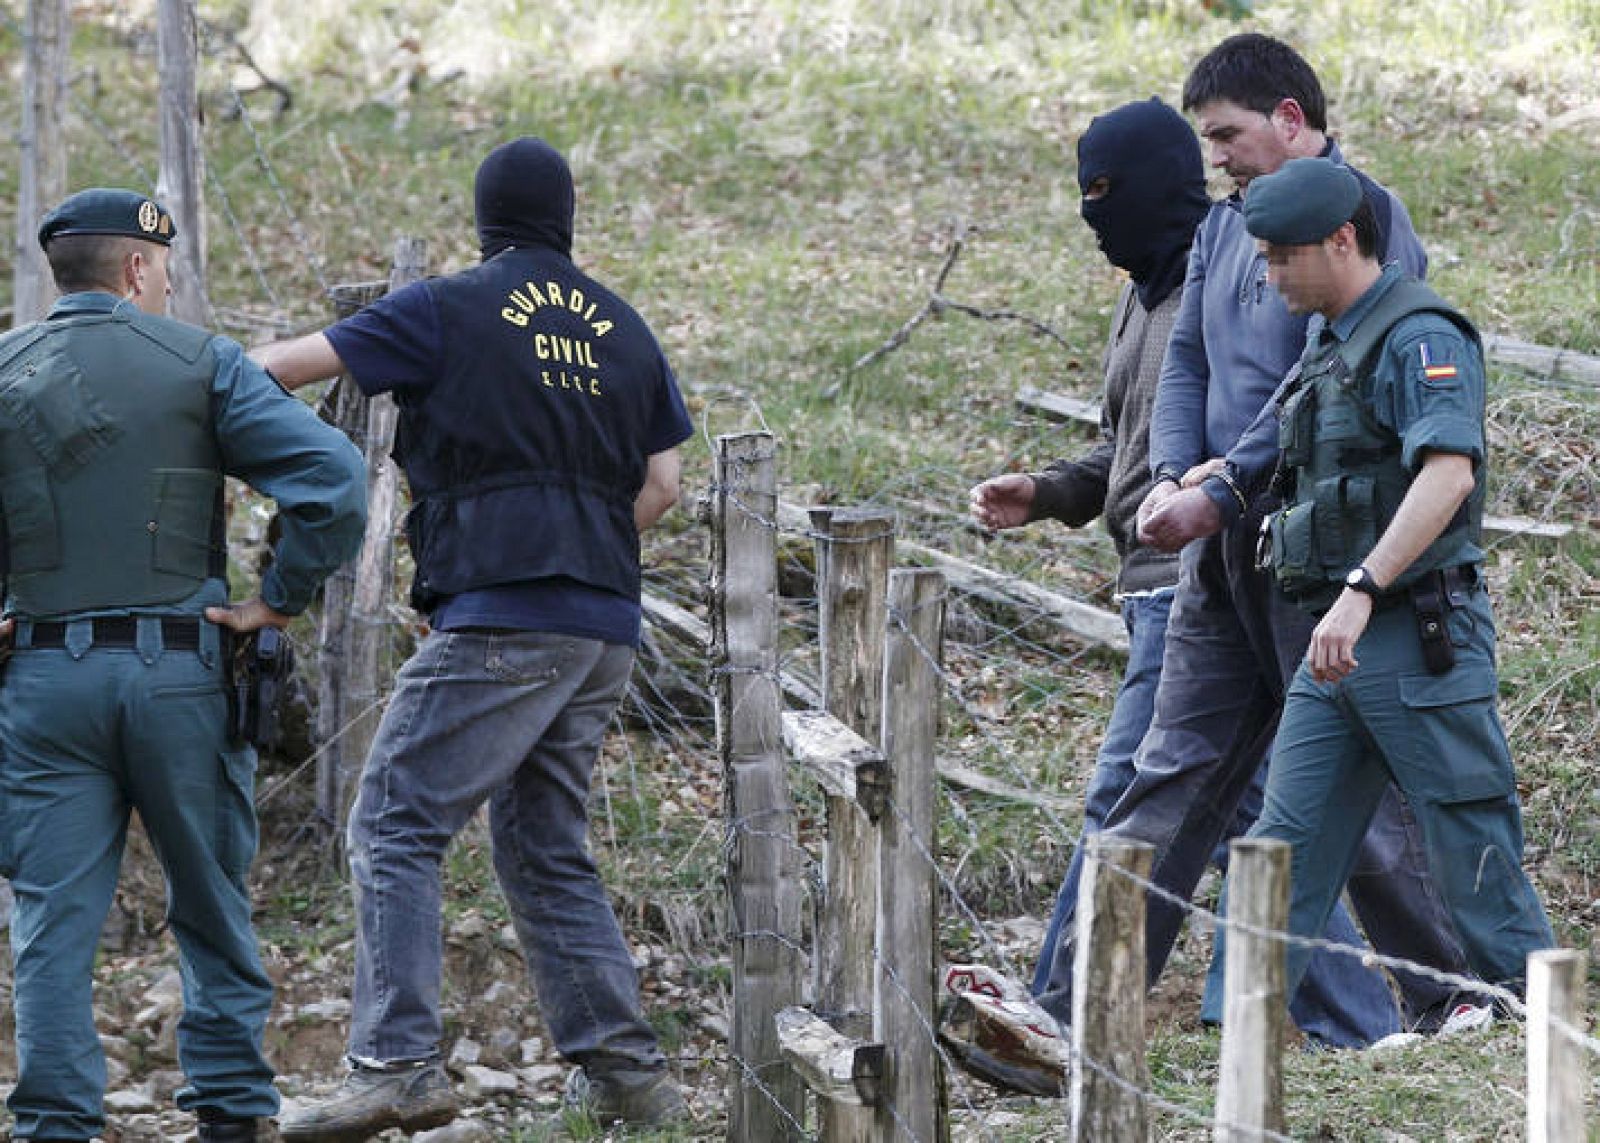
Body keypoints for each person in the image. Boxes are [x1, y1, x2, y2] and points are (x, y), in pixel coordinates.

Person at [1035, 32, 1482, 1036]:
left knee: (1351, 797)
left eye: (1228, 135)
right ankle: (1070, 1015)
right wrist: (1173, 476)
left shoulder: (1363, 217)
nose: (1217, 159)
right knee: (1168, 774)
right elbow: (1187, 354)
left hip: (1316, 551)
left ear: (1290, 120)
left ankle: (1453, 993)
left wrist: (1226, 488)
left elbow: (1324, 373)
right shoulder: (1220, 228)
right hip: (1213, 556)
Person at [255, 137, 693, 1139]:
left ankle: (396, 1064)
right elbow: (663, 485)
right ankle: (630, 1079)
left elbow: (284, 368)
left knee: (394, 819)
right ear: (567, 217)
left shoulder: (445, 306)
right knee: (542, 842)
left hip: (506, 608)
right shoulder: (626, 330)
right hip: (604, 623)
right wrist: (578, 538)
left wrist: (180, 375)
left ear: (485, 218)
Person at [953, 98, 1397, 1086]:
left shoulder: (1242, 266)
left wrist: (1219, 504)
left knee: (1136, 791)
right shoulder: (1144, 294)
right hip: (1161, 577)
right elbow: (1136, 447)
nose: (1091, 214)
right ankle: (1363, 1025)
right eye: (1082, 195)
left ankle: (1058, 1019)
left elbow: (1273, 412)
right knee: (1256, 813)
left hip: (1214, 572)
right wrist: (1054, 493)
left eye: (1107, 191)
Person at [0, 189, 368, 1143]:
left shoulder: (3, 369)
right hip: (180, 675)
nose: (164, 286)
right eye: (161, 270)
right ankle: (232, 1112)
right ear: (135, 270)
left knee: (51, 927)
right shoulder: (204, 364)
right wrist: (278, 596)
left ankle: (51, 1123)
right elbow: (334, 484)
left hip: (42, 683)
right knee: (208, 903)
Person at [1237, 155, 1555, 1002]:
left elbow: (1448, 474)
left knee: (1470, 849)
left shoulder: (1420, 336)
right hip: (1335, 647)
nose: (1270, 278)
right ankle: (1237, 1031)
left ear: (1342, 240)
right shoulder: (1330, 339)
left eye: (1282, 257)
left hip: (1418, 637)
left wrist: (1363, 586)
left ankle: (1545, 1033)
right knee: (1284, 844)